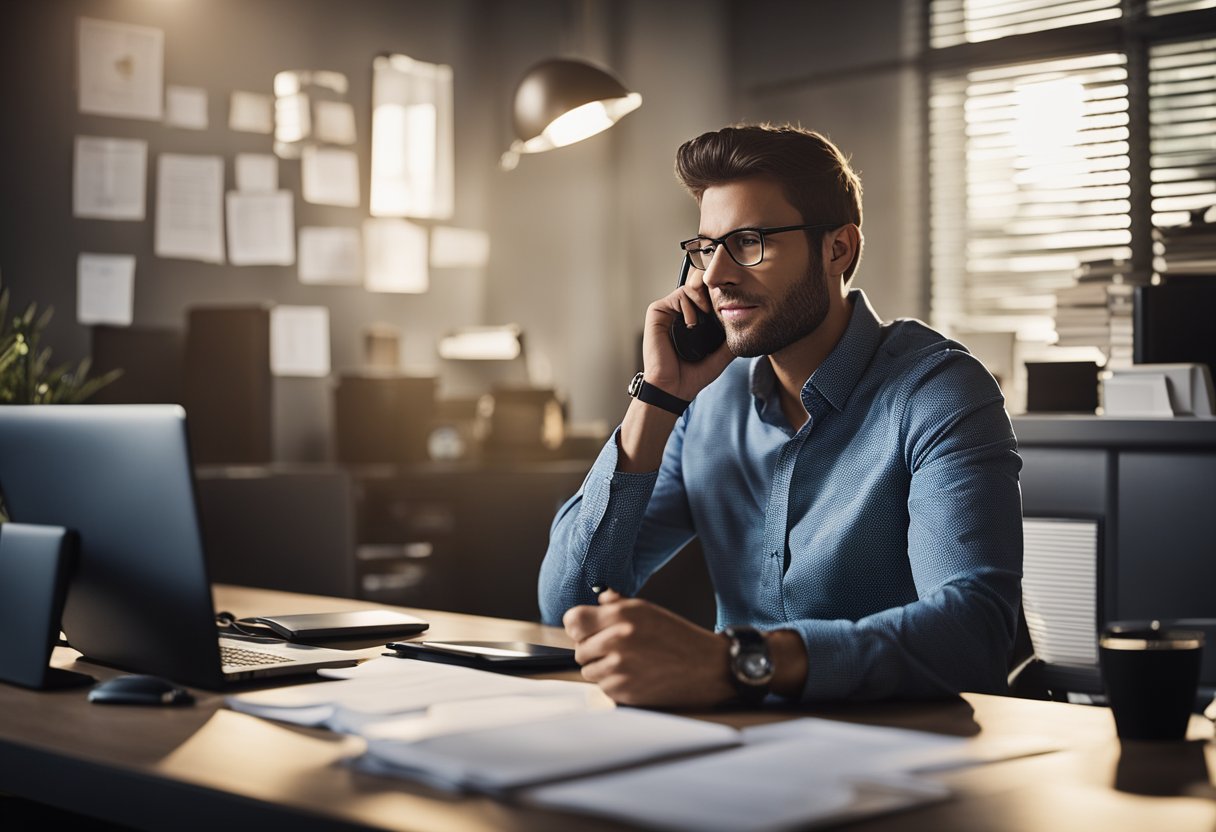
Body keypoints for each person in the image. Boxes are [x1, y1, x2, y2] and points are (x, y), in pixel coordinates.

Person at [538, 123, 1022, 708]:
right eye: (705, 248)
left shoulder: (938, 392)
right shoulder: (708, 401)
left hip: (904, 749)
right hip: (734, 749)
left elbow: (974, 634)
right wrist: (658, 398)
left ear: (838, 248)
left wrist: (736, 661)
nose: (715, 275)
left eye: (749, 241)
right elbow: (568, 601)